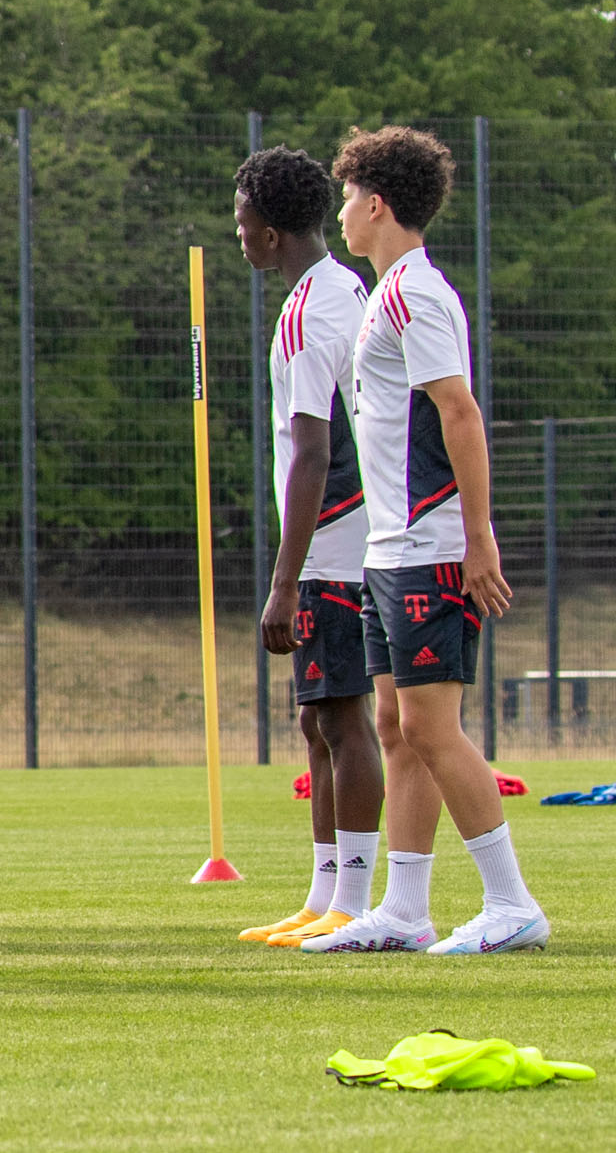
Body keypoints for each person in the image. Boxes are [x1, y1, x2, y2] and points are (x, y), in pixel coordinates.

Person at [304, 127, 544, 955]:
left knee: (435, 728)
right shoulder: (386, 295)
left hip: (430, 546)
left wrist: (478, 538)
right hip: (388, 549)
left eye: (346, 198)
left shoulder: (417, 295)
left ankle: (512, 902)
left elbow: (461, 411)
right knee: (396, 725)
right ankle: (405, 909)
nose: (339, 213)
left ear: (376, 204)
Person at [231, 147, 384, 950]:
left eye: (242, 219)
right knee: (318, 719)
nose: (238, 233)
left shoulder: (306, 314)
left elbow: (314, 452)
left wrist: (285, 579)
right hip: (348, 538)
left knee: (344, 719)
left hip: (339, 546)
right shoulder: (345, 289)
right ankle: (326, 891)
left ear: (271, 227)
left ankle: (355, 901)